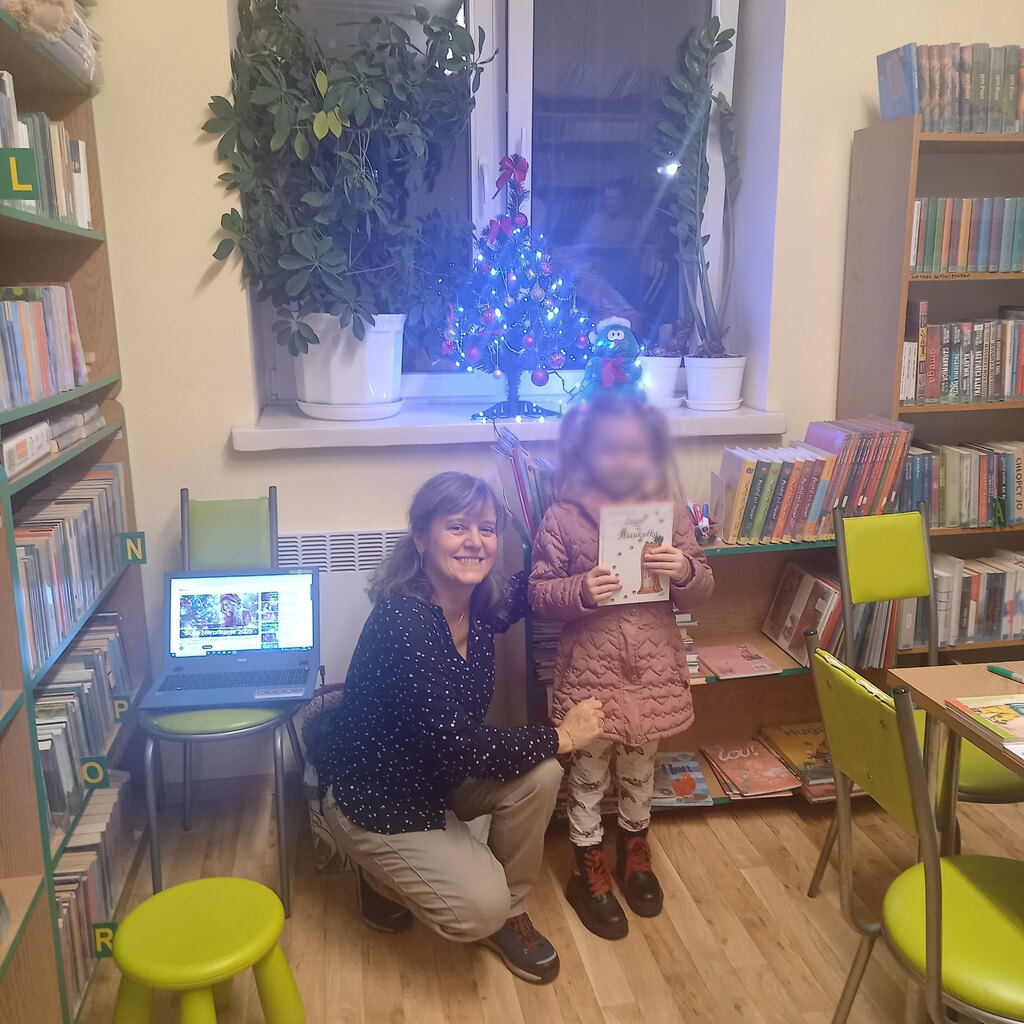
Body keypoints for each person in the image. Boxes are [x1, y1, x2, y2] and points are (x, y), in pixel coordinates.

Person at [314, 472, 604, 984]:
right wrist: (562, 736)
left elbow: (524, 594)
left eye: (486, 529)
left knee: (542, 776)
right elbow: (461, 744)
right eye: (457, 527)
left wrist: (578, 563)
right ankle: (378, 875)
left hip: (438, 775)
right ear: (421, 538)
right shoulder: (404, 622)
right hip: (378, 796)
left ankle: (511, 911)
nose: (475, 541)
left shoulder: (477, 602)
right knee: (477, 909)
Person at [529, 395, 714, 940]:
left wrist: (684, 570)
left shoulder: (671, 513)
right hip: (593, 672)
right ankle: (587, 865)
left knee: (639, 768)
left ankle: (635, 850)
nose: (623, 460)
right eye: (609, 449)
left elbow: (702, 587)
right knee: (587, 774)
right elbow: (539, 594)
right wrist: (579, 590)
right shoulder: (563, 516)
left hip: (651, 672)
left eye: (635, 449)